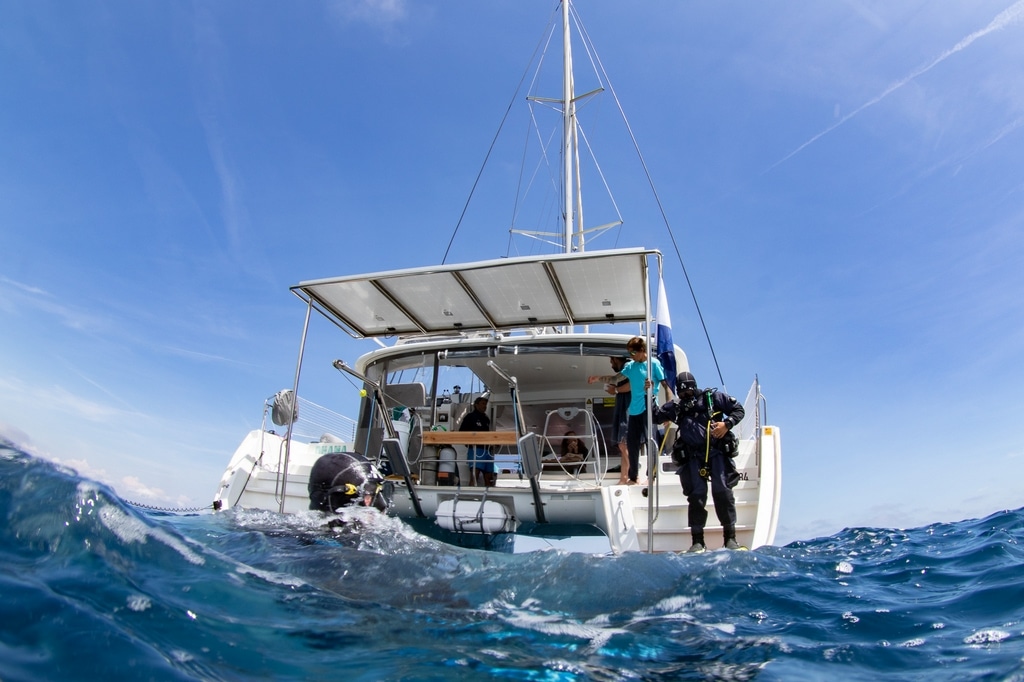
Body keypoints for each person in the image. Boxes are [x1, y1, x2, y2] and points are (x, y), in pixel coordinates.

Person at [654, 371, 745, 553]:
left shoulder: (713, 398)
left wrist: (726, 425)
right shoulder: (677, 407)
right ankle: (697, 541)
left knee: (722, 491)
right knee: (696, 496)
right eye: (682, 394)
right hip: (693, 457)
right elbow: (656, 416)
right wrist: (649, 394)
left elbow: (739, 410)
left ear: (695, 388)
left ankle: (730, 539)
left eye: (688, 393)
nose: (686, 397)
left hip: (716, 452)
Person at [588, 336, 672, 485]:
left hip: (649, 408)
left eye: (633, 353)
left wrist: (668, 412)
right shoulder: (631, 366)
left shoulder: (654, 364)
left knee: (650, 441)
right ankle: (633, 478)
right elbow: (615, 379)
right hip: (634, 411)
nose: (631, 357)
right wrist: (597, 378)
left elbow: (667, 386)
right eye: (629, 354)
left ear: (642, 351)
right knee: (632, 445)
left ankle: (651, 477)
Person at [603, 355, 631, 484]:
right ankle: (624, 478)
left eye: (611, 361)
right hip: (625, 409)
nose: (610, 364)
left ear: (615, 359)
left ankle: (633, 476)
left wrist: (616, 390)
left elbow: (632, 384)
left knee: (623, 444)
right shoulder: (624, 370)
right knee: (623, 445)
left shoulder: (627, 366)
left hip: (628, 409)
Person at [459, 395, 495, 487]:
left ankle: (489, 497)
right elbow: (461, 432)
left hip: (487, 450)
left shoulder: (486, 419)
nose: (485, 406)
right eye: (483, 404)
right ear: (476, 405)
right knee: (475, 475)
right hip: (476, 450)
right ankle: (470, 496)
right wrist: (468, 442)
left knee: (489, 477)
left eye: (486, 404)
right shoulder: (470, 417)